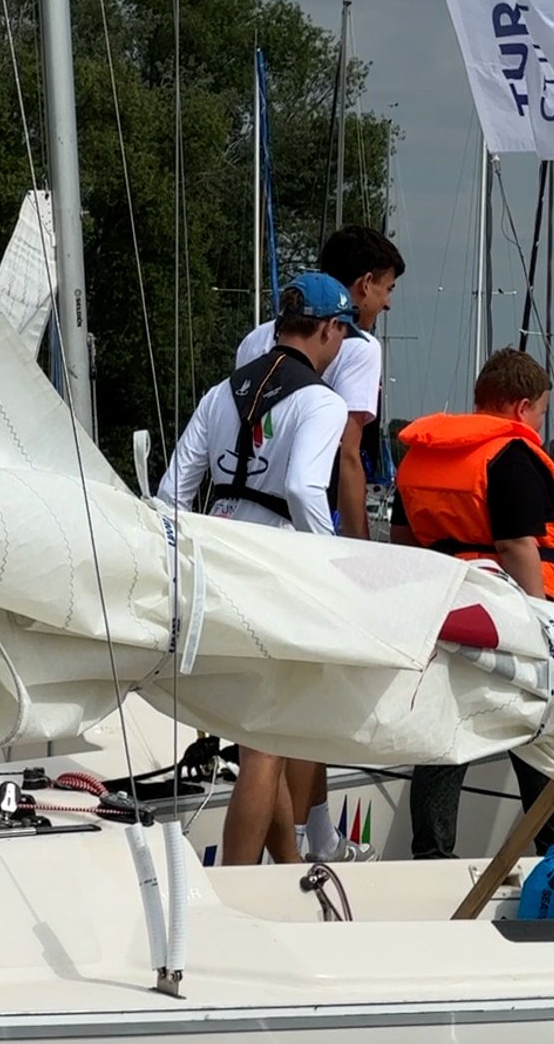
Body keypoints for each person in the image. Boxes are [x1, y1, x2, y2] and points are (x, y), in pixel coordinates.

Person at [156, 274, 357, 866]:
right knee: (267, 745)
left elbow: (172, 492)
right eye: (343, 332)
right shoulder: (322, 401)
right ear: (328, 329)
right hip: (272, 573)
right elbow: (301, 487)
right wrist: (334, 565)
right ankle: (238, 890)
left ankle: (289, 872)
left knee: (255, 737)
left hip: (215, 562)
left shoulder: (222, 393)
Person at [235, 225, 403, 862]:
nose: (386, 304)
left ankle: (295, 850)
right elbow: (350, 458)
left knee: (266, 720)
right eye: (386, 290)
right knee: (306, 703)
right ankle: (316, 839)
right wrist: (361, 555)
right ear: (362, 287)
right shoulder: (356, 345)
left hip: (241, 531)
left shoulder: (261, 336)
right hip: (305, 535)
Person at [392, 348, 554, 859]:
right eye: (541, 411)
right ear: (522, 407)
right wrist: (542, 624)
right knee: (534, 726)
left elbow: (402, 538)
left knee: (446, 728)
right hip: (509, 615)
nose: (540, 423)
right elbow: (515, 545)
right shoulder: (512, 457)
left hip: (445, 609)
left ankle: (431, 854)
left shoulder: (420, 456)